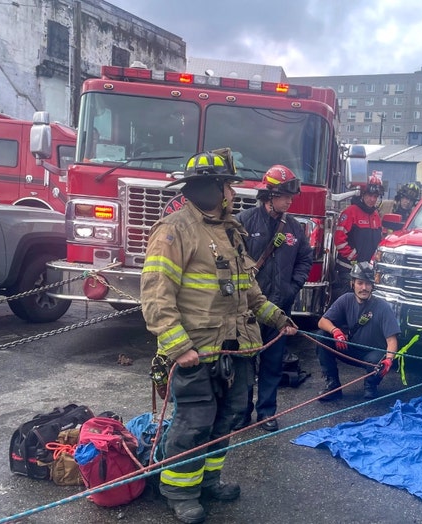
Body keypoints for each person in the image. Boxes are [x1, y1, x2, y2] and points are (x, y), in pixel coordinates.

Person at [141, 151, 298, 524]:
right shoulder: (174, 230)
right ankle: (180, 492)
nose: (232, 192)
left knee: (226, 419)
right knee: (194, 423)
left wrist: (277, 319)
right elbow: (155, 294)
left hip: (235, 348)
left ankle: (208, 481)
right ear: (210, 188)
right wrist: (178, 347)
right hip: (195, 351)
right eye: (227, 185)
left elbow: (249, 291)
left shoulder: (230, 231)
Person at [237, 165, 313, 432]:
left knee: (272, 364)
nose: (290, 201)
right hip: (248, 311)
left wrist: (293, 287)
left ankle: (266, 413)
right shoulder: (244, 221)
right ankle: (242, 413)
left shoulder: (293, 228)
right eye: (285, 196)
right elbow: (232, 259)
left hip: (279, 309)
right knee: (244, 364)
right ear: (269, 196)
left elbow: (306, 258)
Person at [316, 261, 400, 400]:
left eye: (368, 283)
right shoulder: (345, 300)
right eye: (360, 283)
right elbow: (322, 322)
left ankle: (370, 386)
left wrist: (389, 360)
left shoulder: (383, 307)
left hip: (374, 356)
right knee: (322, 336)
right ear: (352, 284)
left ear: (373, 285)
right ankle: (333, 385)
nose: (364, 288)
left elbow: (392, 340)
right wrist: (336, 331)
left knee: (377, 361)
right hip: (351, 349)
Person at [332, 174, 384, 298]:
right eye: (369, 195)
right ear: (362, 195)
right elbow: (339, 240)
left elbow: (378, 242)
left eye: (375, 196)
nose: (372, 199)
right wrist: (354, 257)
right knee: (346, 304)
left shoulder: (375, 215)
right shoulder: (350, 212)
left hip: (367, 272)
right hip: (348, 271)